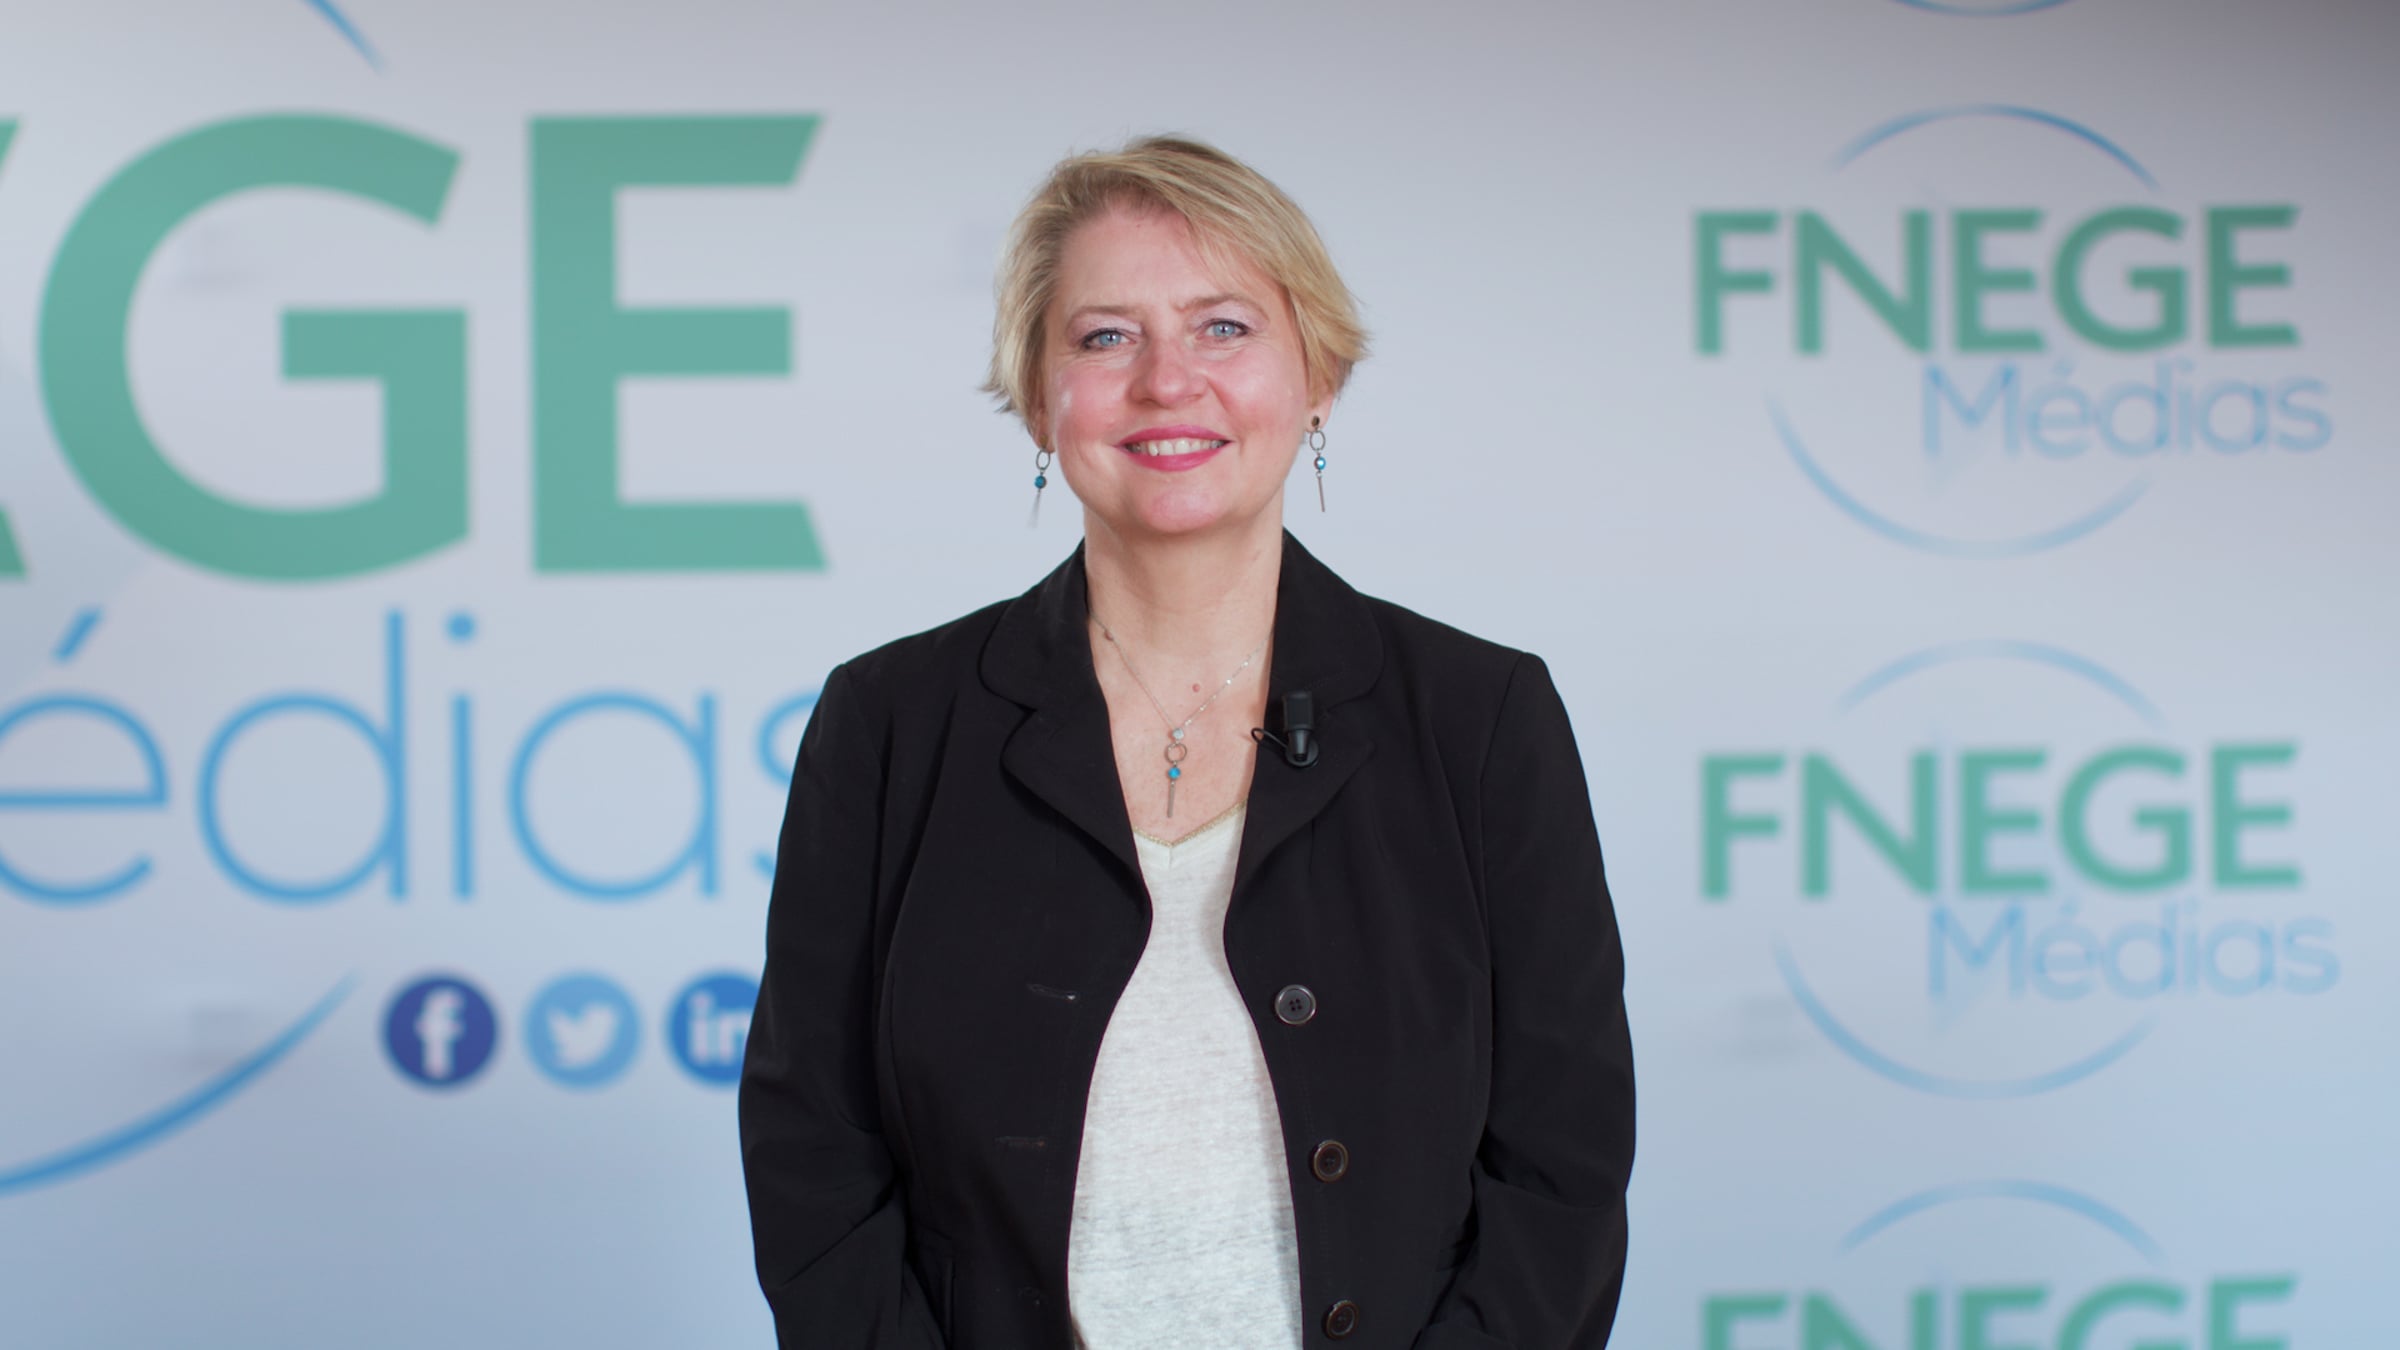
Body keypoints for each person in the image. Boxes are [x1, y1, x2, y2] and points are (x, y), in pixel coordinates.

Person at [738, 135, 1634, 1349]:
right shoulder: (890, 723)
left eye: (1223, 328)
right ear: (1039, 396)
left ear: (1318, 378)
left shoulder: (1483, 722)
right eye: (1106, 336)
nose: (1167, 381)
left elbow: (1561, 1175)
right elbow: (812, 1156)